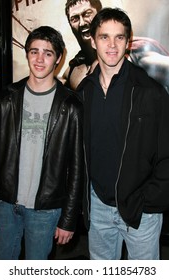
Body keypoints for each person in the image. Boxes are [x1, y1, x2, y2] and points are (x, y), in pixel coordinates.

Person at [77, 8, 169, 260]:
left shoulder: (150, 92)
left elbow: (166, 154)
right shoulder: (84, 93)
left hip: (140, 212)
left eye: (119, 37)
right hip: (98, 209)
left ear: (128, 42)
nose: (112, 44)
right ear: (93, 40)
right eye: (104, 37)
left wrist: (149, 201)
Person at [0, 26, 84, 260]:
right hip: (4, 205)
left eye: (47, 52)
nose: (40, 59)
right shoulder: (6, 99)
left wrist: (68, 218)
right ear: (27, 54)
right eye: (34, 51)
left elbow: (76, 169)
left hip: (45, 209)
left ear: (58, 58)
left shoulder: (71, 106)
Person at [63, 0, 169, 92]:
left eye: (87, 14)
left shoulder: (134, 54)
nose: (82, 23)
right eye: (75, 18)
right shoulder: (73, 70)